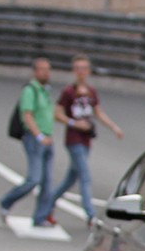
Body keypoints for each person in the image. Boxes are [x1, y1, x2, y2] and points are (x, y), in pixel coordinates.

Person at [37, 55, 123, 226]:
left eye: (84, 68)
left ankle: (47, 206)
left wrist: (113, 127)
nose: (81, 72)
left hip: (86, 140)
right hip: (74, 139)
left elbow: (98, 113)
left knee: (70, 179)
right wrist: (74, 123)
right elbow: (57, 113)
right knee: (85, 176)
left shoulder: (91, 92)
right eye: (77, 68)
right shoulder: (69, 92)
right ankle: (90, 215)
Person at [0, 58, 56, 226]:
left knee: (47, 182)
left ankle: (40, 216)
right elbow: (27, 115)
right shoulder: (30, 90)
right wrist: (39, 136)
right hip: (35, 139)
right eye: (42, 70)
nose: (46, 73)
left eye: (47, 69)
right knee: (34, 179)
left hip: (47, 139)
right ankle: (6, 202)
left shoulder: (45, 91)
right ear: (35, 71)